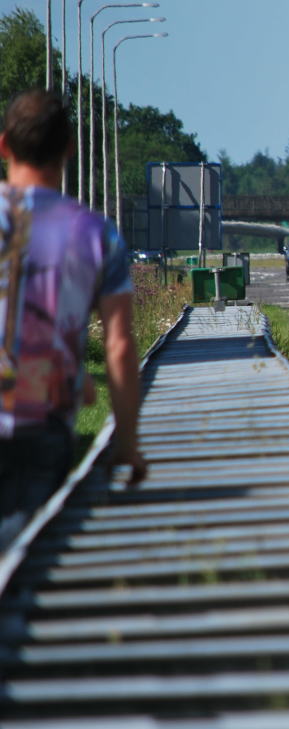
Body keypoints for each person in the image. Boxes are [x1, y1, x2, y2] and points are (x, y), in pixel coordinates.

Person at [0, 89, 145, 547]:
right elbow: (119, 345)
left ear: (3, 146)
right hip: (42, 424)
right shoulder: (96, 234)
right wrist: (126, 440)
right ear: (68, 149)